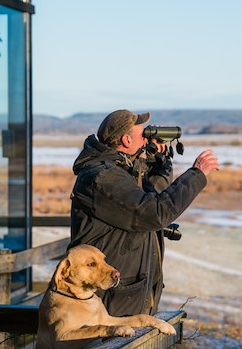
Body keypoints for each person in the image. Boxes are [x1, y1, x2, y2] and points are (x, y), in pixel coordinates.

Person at [69, 109, 219, 317]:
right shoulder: (102, 177)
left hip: (126, 293)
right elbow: (155, 213)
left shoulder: (118, 170)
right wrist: (196, 174)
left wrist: (159, 161)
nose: (148, 137)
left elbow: (150, 198)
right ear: (126, 140)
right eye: (144, 134)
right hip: (108, 300)